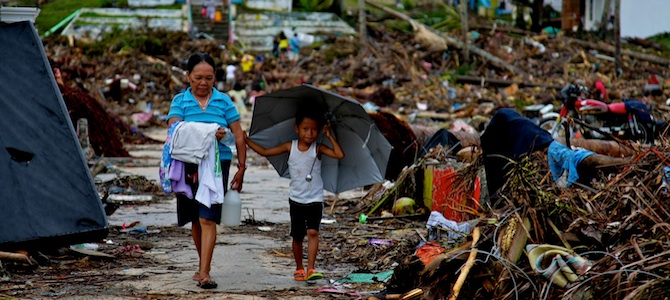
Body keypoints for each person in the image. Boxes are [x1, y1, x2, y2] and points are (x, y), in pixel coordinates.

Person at [166, 53, 247, 289]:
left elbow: (239, 135)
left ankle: (204, 272)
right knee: (195, 219)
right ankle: (203, 266)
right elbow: (175, 129)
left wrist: (242, 167)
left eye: (209, 78)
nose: (203, 83)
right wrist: (211, 131)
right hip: (188, 164)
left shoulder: (224, 101)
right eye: (198, 77)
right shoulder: (180, 101)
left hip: (217, 163)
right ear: (188, 76)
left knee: (207, 218)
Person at [243, 108, 344, 281]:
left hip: (315, 199)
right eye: (305, 129)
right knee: (297, 236)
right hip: (296, 200)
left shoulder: (318, 148)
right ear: (297, 128)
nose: (309, 133)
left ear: (318, 130)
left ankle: (311, 269)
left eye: (313, 129)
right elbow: (266, 152)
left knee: (313, 232)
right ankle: (299, 268)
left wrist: (329, 136)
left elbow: (339, 154)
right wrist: (246, 141)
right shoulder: (290, 146)